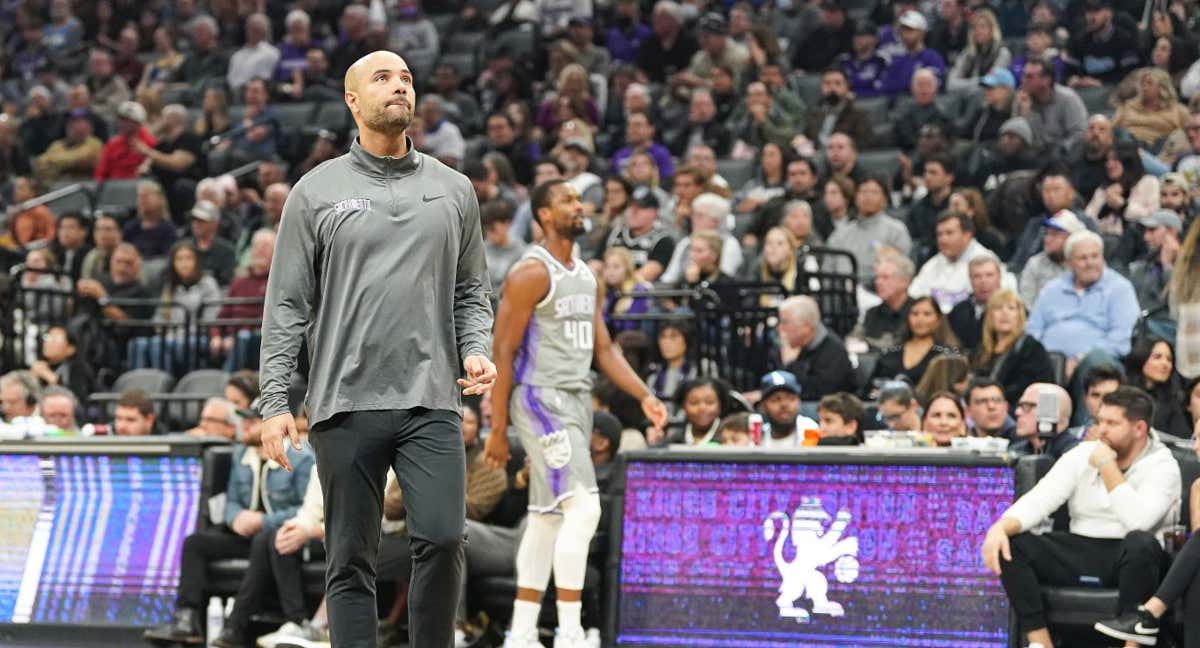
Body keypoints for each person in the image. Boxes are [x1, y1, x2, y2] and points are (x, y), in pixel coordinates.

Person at [257, 51, 497, 648]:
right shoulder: (316, 192)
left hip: (432, 397)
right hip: (343, 400)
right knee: (348, 559)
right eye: (383, 78)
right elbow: (286, 305)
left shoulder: (454, 189)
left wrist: (476, 348)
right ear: (353, 101)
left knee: (443, 537)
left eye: (407, 78)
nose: (399, 86)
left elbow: (472, 291)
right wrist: (272, 402)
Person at [483, 179, 666, 648]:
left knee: (546, 517)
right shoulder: (530, 273)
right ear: (544, 215)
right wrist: (498, 428)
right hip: (541, 398)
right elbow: (502, 351)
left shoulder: (588, 275)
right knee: (584, 508)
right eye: (567, 200)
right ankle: (568, 632)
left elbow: (603, 348)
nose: (579, 205)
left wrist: (643, 394)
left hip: (577, 399)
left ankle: (521, 634)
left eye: (579, 199)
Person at [981, 386, 1180, 648]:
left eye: (1112, 423)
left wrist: (1107, 466)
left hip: (1129, 557)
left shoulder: (1163, 465)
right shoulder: (1082, 454)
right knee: (1013, 544)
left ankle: (1132, 643)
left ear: (1139, 429)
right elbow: (1040, 499)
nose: (1102, 430)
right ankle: (1040, 641)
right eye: (1100, 421)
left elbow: (1138, 521)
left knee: (1140, 543)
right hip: (1080, 549)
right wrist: (1000, 527)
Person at [144, 402, 313, 644]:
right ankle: (186, 618)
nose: (245, 427)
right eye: (244, 421)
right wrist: (235, 518)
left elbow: (305, 509)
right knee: (195, 543)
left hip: (281, 537)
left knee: (265, 539)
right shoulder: (241, 454)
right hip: (244, 535)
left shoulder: (301, 458)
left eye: (252, 422)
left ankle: (236, 626)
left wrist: (263, 520)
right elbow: (231, 500)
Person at [1094, 416, 1199, 646]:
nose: (1197, 446)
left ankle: (1150, 612)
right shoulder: (1198, 487)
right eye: (1197, 438)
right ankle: (1149, 616)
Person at [1027, 230, 1139, 385]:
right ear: (1069, 263)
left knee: (1093, 368)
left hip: (1096, 363)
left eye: (1095, 256)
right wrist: (1042, 358)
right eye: (1082, 258)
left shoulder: (1120, 289)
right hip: (1049, 362)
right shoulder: (1052, 289)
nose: (1090, 263)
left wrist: (1081, 358)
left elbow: (1120, 338)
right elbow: (1033, 330)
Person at [909, 212, 1012, 314]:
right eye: (939, 234)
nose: (943, 240)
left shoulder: (987, 261)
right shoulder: (932, 264)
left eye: (949, 233)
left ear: (967, 235)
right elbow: (914, 295)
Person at [972, 289, 1056, 409]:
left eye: (1011, 308)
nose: (1004, 313)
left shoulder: (1032, 349)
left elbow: (1030, 390)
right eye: (998, 308)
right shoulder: (982, 350)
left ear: (1019, 315)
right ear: (990, 316)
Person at [826, 176, 913, 285]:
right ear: (856, 198)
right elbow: (827, 272)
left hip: (880, 292)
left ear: (884, 199)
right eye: (863, 191)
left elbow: (904, 271)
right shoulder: (840, 234)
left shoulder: (896, 231)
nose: (868, 196)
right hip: (842, 293)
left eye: (874, 192)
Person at [866, 296, 960, 395]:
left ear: (938, 319)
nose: (920, 319)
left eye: (927, 314)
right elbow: (869, 390)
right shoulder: (890, 353)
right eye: (915, 314)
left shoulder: (947, 354)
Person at [777, 295, 857, 402]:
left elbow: (816, 394)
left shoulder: (833, 352)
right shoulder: (789, 345)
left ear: (806, 327)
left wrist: (792, 364)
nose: (780, 328)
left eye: (785, 322)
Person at [1125, 337, 1191, 439]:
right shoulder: (1122, 394)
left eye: (1169, 359)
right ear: (1142, 358)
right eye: (1157, 357)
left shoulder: (1173, 401)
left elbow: (1181, 441)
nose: (1165, 364)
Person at [1019, 210, 1086, 309]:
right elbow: (1026, 304)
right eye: (1047, 233)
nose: (1047, 239)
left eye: (1055, 234)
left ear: (1072, 239)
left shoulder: (1087, 265)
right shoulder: (1035, 263)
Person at [856, 253, 914, 351]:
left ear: (905, 281)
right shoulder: (872, 313)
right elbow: (855, 341)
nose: (878, 282)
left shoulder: (918, 312)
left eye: (885, 277)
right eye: (877, 277)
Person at [1008, 383, 1080, 458]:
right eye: (1019, 406)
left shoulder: (1074, 453)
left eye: (1027, 406)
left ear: (1053, 412)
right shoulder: (1015, 451)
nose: (1017, 412)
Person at [949, 255, 1005, 352]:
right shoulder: (958, 310)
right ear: (970, 280)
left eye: (989, 275)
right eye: (977, 276)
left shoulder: (1013, 309)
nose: (983, 281)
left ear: (999, 277)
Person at [756, 370, 820, 447]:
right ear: (763, 406)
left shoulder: (811, 430)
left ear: (799, 401)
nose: (784, 404)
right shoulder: (757, 437)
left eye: (790, 398)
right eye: (776, 400)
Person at [662, 377, 731, 446]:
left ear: (720, 404)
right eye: (694, 402)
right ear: (683, 406)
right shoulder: (674, 441)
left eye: (709, 402)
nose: (702, 408)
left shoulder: (730, 438)